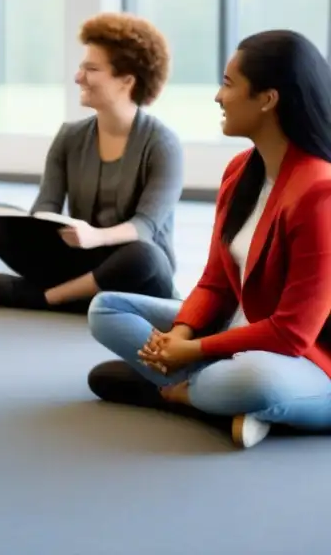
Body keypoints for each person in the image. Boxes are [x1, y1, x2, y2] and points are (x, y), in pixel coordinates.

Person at [86, 30, 331, 450]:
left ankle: (187, 392)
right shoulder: (240, 171)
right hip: (240, 336)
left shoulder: (319, 192)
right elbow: (216, 281)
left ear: (268, 99)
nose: (218, 97)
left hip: (303, 359)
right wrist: (181, 335)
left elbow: (292, 334)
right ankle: (214, 399)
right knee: (107, 308)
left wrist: (194, 349)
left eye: (229, 84)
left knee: (254, 382)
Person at [0, 12, 182, 313]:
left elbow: (145, 226)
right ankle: (88, 297)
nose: (77, 77)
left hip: (137, 266)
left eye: (91, 69)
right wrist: (35, 223)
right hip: (85, 256)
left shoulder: (163, 144)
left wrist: (96, 236)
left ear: (126, 80)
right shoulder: (69, 137)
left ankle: (47, 298)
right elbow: (45, 207)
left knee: (143, 256)